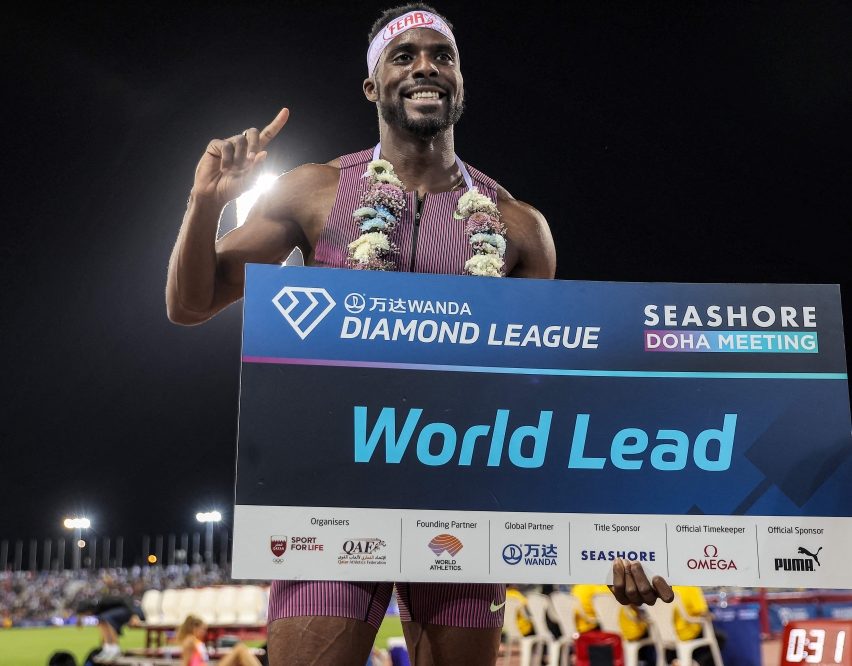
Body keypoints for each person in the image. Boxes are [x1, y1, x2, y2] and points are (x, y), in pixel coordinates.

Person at [166, 4, 558, 665]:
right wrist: (204, 200)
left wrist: (620, 542)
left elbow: (545, 393)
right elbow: (191, 302)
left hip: (459, 499)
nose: (427, 66)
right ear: (373, 86)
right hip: (331, 494)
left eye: (443, 56)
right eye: (403, 57)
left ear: (460, 81)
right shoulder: (314, 192)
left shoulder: (518, 227)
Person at [664, 586, 726, 666]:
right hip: (687, 634)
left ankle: (678, 661)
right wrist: (712, 616)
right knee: (720, 637)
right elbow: (703, 613)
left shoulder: (663, 589)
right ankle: (695, 662)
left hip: (665, 635)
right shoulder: (691, 588)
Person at [74, 596, 144, 662]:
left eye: (85, 614)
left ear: (88, 610)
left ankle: (115, 649)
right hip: (121, 614)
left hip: (134, 610)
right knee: (101, 619)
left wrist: (133, 615)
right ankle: (107, 649)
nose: (86, 616)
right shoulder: (99, 613)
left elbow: (126, 598)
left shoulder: (104, 601)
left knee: (105, 617)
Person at [178, 615, 263, 666]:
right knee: (240, 649)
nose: (205, 633)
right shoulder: (189, 640)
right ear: (194, 629)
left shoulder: (196, 641)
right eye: (202, 630)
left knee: (240, 655)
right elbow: (185, 663)